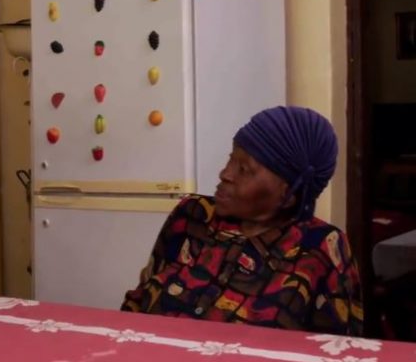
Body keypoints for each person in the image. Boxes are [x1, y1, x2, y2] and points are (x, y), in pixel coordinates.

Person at [121, 106, 363, 336]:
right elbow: (139, 302)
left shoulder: (321, 249)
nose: (225, 173)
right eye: (231, 159)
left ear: (287, 195)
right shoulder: (192, 215)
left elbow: (337, 352)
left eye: (244, 169)